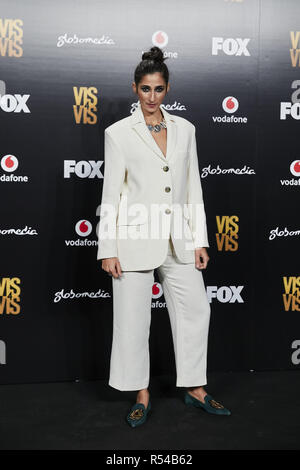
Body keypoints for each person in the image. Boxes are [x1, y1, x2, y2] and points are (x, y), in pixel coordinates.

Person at [97, 46, 231, 427]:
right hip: (134, 238)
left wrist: (200, 239)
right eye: (144, 89)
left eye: (158, 89)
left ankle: (195, 388)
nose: (151, 97)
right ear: (135, 89)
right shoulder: (118, 133)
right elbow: (111, 192)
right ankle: (141, 393)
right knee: (132, 320)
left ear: (167, 89)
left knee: (196, 311)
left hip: (178, 238)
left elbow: (193, 189)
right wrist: (107, 247)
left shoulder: (186, 130)